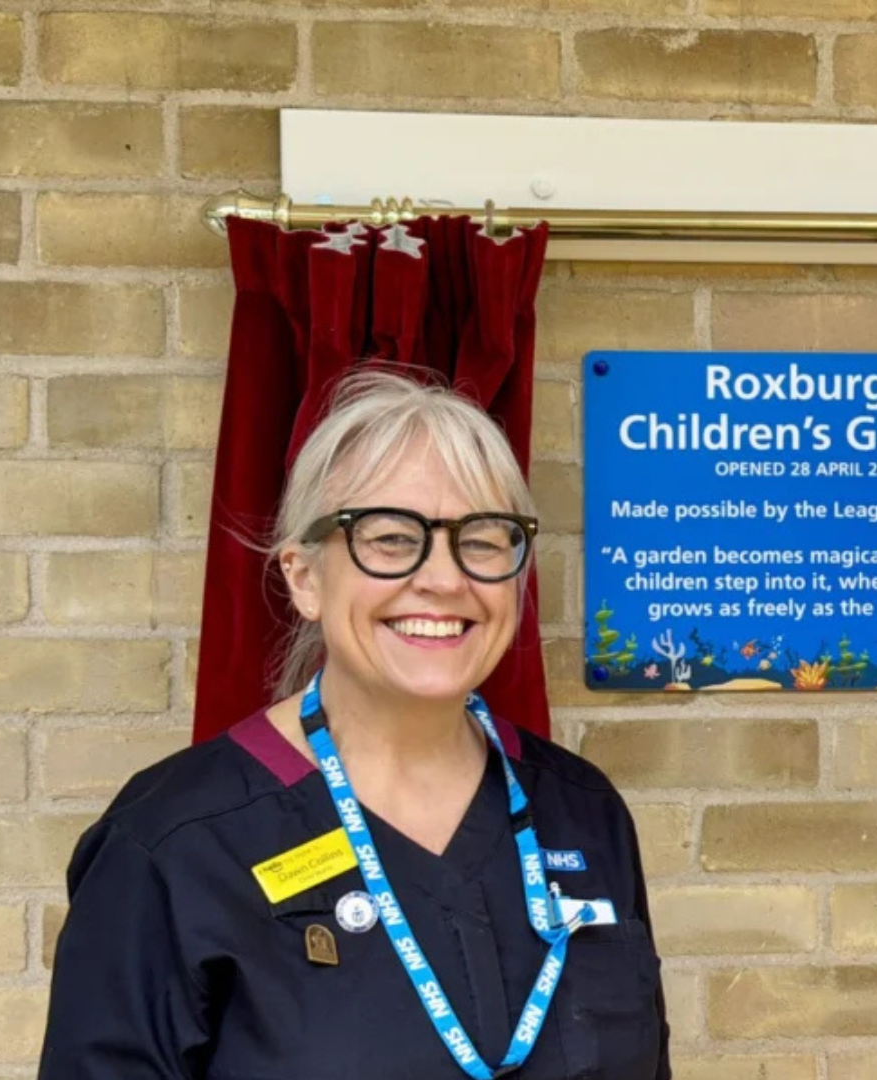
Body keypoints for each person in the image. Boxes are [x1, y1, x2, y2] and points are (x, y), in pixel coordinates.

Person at [39, 369, 670, 1080]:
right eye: (391, 538)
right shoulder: (172, 844)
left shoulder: (583, 813)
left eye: (483, 540)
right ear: (304, 578)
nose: (445, 579)